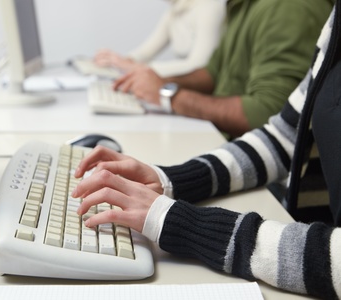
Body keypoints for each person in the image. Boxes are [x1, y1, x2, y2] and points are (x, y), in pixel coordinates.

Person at [71, 2, 341, 299]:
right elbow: (285, 136)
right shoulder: (334, 22)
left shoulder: (292, 8)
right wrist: (169, 180)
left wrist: (183, 224)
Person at [113, 0, 334, 139]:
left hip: (267, 176)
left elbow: (266, 114)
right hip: (228, 140)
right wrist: (157, 85)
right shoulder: (242, 6)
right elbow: (213, 72)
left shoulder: (287, 8)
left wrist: (169, 96)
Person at [93, 0, 227, 77]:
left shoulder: (210, 8)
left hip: (212, 95)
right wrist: (118, 60)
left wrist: (137, 68)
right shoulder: (174, 11)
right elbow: (145, 52)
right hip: (188, 88)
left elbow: (200, 66)